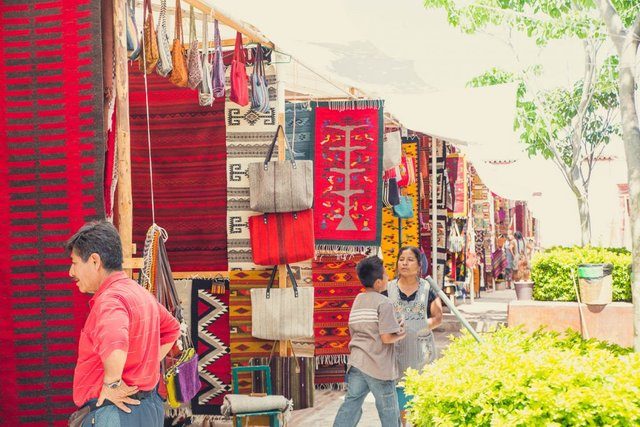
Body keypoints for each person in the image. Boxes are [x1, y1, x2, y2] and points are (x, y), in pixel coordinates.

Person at [66, 221, 181, 426]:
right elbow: (172, 329)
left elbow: (115, 342)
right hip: (146, 409)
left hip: (115, 413)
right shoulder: (138, 292)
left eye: (74, 263)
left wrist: (112, 384)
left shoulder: (110, 300)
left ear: (94, 261)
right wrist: (144, 365)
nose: (70, 272)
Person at [333, 256, 407, 427]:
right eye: (386, 275)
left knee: (350, 406)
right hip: (378, 366)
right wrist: (401, 334)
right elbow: (386, 338)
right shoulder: (385, 303)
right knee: (389, 410)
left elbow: (360, 328)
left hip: (357, 362)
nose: (389, 278)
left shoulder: (358, 300)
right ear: (379, 282)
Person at [385, 246, 443, 426]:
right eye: (401, 259)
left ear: (419, 266)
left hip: (422, 353)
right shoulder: (388, 290)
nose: (404, 263)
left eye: (410, 259)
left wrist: (419, 326)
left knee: (420, 395)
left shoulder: (428, 288)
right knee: (400, 394)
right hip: (397, 354)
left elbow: (438, 317)